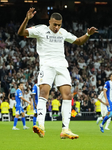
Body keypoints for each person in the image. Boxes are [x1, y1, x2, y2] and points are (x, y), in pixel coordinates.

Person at [17, 7, 98, 139]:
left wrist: (88, 35)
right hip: (47, 65)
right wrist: (27, 19)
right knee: (43, 92)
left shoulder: (63, 32)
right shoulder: (41, 30)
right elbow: (21, 33)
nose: (57, 27)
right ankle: (41, 126)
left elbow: (78, 41)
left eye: (59, 25)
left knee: (67, 95)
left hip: (61, 66)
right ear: (49, 22)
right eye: (55, 24)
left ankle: (65, 129)